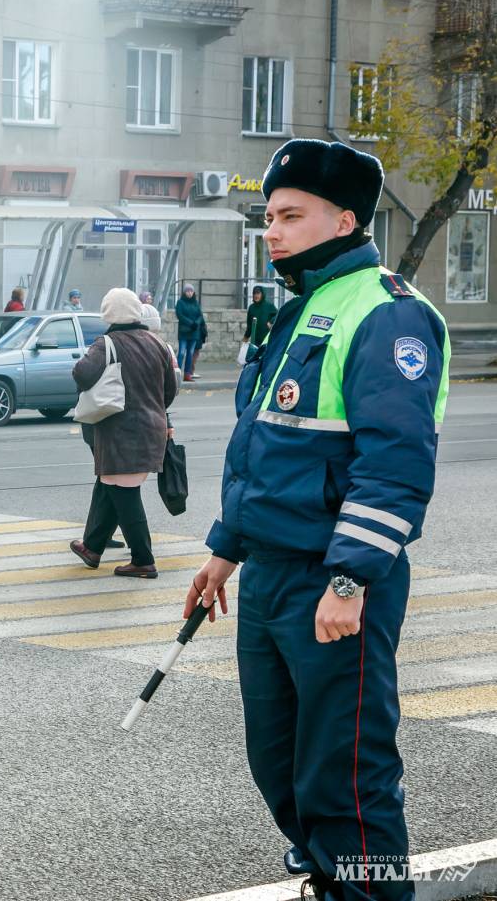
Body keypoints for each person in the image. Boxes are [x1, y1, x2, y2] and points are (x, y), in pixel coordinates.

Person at [186, 139, 449, 901]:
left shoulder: (387, 313)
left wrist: (349, 576)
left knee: (347, 774)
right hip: (269, 577)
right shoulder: (301, 310)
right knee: (279, 761)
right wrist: (225, 551)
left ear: (344, 219)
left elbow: (394, 466)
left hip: (334, 584)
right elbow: (270, 453)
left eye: (290, 215)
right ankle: (329, 881)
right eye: (269, 216)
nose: (272, 230)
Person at [69, 288, 178, 578]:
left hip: (120, 432)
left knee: (125, 494)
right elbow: (170, 389)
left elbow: (81, 374)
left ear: (108, 313)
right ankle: (92, 547)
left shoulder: (107, 344)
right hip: (152, 428)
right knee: (111, 485)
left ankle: (143, 560)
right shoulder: (159, 344)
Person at [175, 284, 205, 381]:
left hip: (194, 333)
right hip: (184, 332)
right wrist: (190, 323)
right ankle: (177, 374)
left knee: (190, 353)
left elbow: (200, 315)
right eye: (187, 291)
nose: (190, 293)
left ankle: (187, 374)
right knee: (181, 353)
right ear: (184, 292)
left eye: (191, 291)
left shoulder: (195, 303)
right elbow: (180, 315)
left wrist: (196, 323)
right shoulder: (180, 303)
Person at [242, 284, 278, 358]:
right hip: (255, 340)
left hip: (266, 339)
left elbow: (278, 314)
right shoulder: (251, 308)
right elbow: (249, 325)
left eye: (258, 293)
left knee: (265, 359)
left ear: (262, 294)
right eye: (254, 293)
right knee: (255, 360)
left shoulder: (269, 306)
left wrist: (271, 322)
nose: (256, 295)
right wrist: (246, 337)